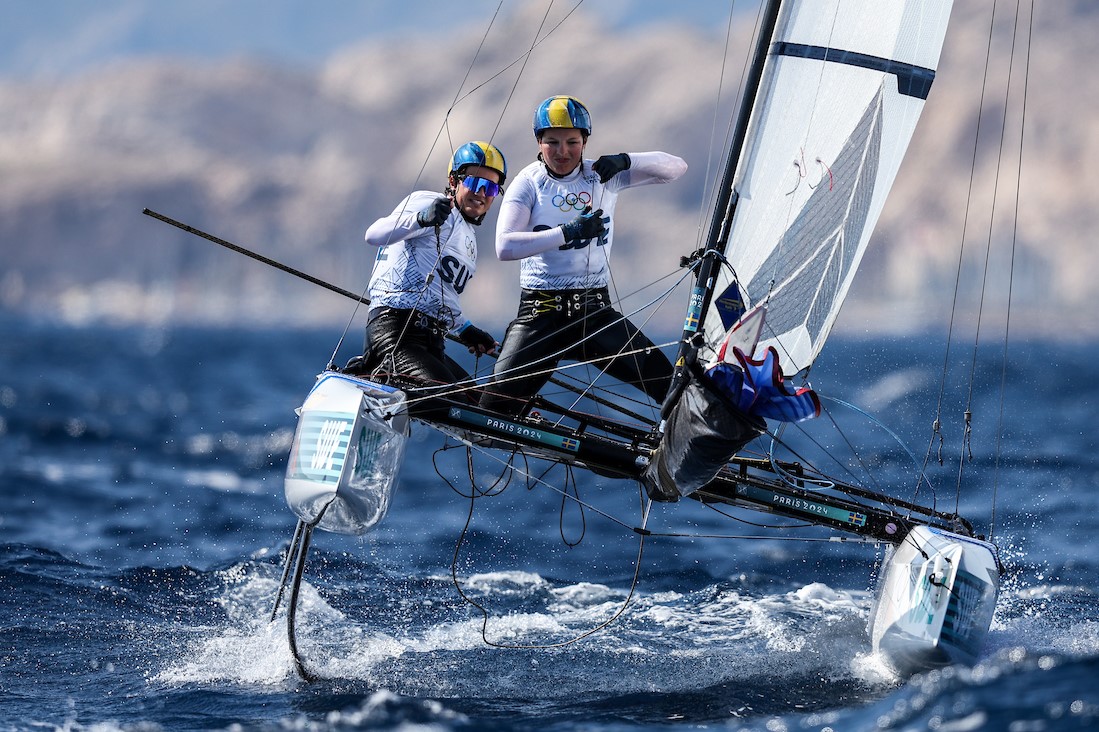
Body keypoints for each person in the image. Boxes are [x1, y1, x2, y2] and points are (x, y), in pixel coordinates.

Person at [479, 95, 687, 417]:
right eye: (552, 142)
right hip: (540, 314)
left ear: (585, 141)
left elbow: (676, 169)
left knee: (672, 388)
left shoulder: (602, 175)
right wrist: (568, 232)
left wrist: (626, 160)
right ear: (539, 142)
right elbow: (504, 247)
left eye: (572, 142)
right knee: (492, 410)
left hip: (595, 312)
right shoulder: (528, 183)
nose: (562, 152)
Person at [356, 141, 506, 408]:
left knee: (483, 406)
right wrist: (420, 219)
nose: (482, 193)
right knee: (455, 404)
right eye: (475, 182)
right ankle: (372, 374)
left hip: (432, 343)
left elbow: (440, 295)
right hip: (396, 335)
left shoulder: (469, 239)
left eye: (491, 188)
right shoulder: (428, 202)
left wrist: (466, 330)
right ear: (454, 181)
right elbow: (374, 234)